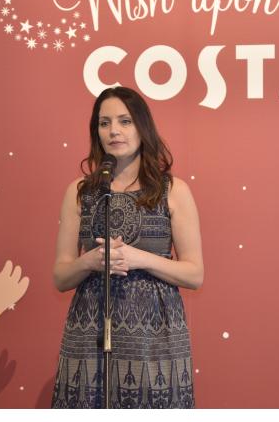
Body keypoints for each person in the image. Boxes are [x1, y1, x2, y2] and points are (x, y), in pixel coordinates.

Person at [51, 86, 203, 408]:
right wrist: (90, 261)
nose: (114, 131)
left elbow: (194, 274)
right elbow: (61, 277)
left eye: (125, 121)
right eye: (104, 123)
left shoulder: (173, 190)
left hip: (155, 336)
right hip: (90, 331)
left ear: (142, 127)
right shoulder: (80, 192)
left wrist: (138, 258)